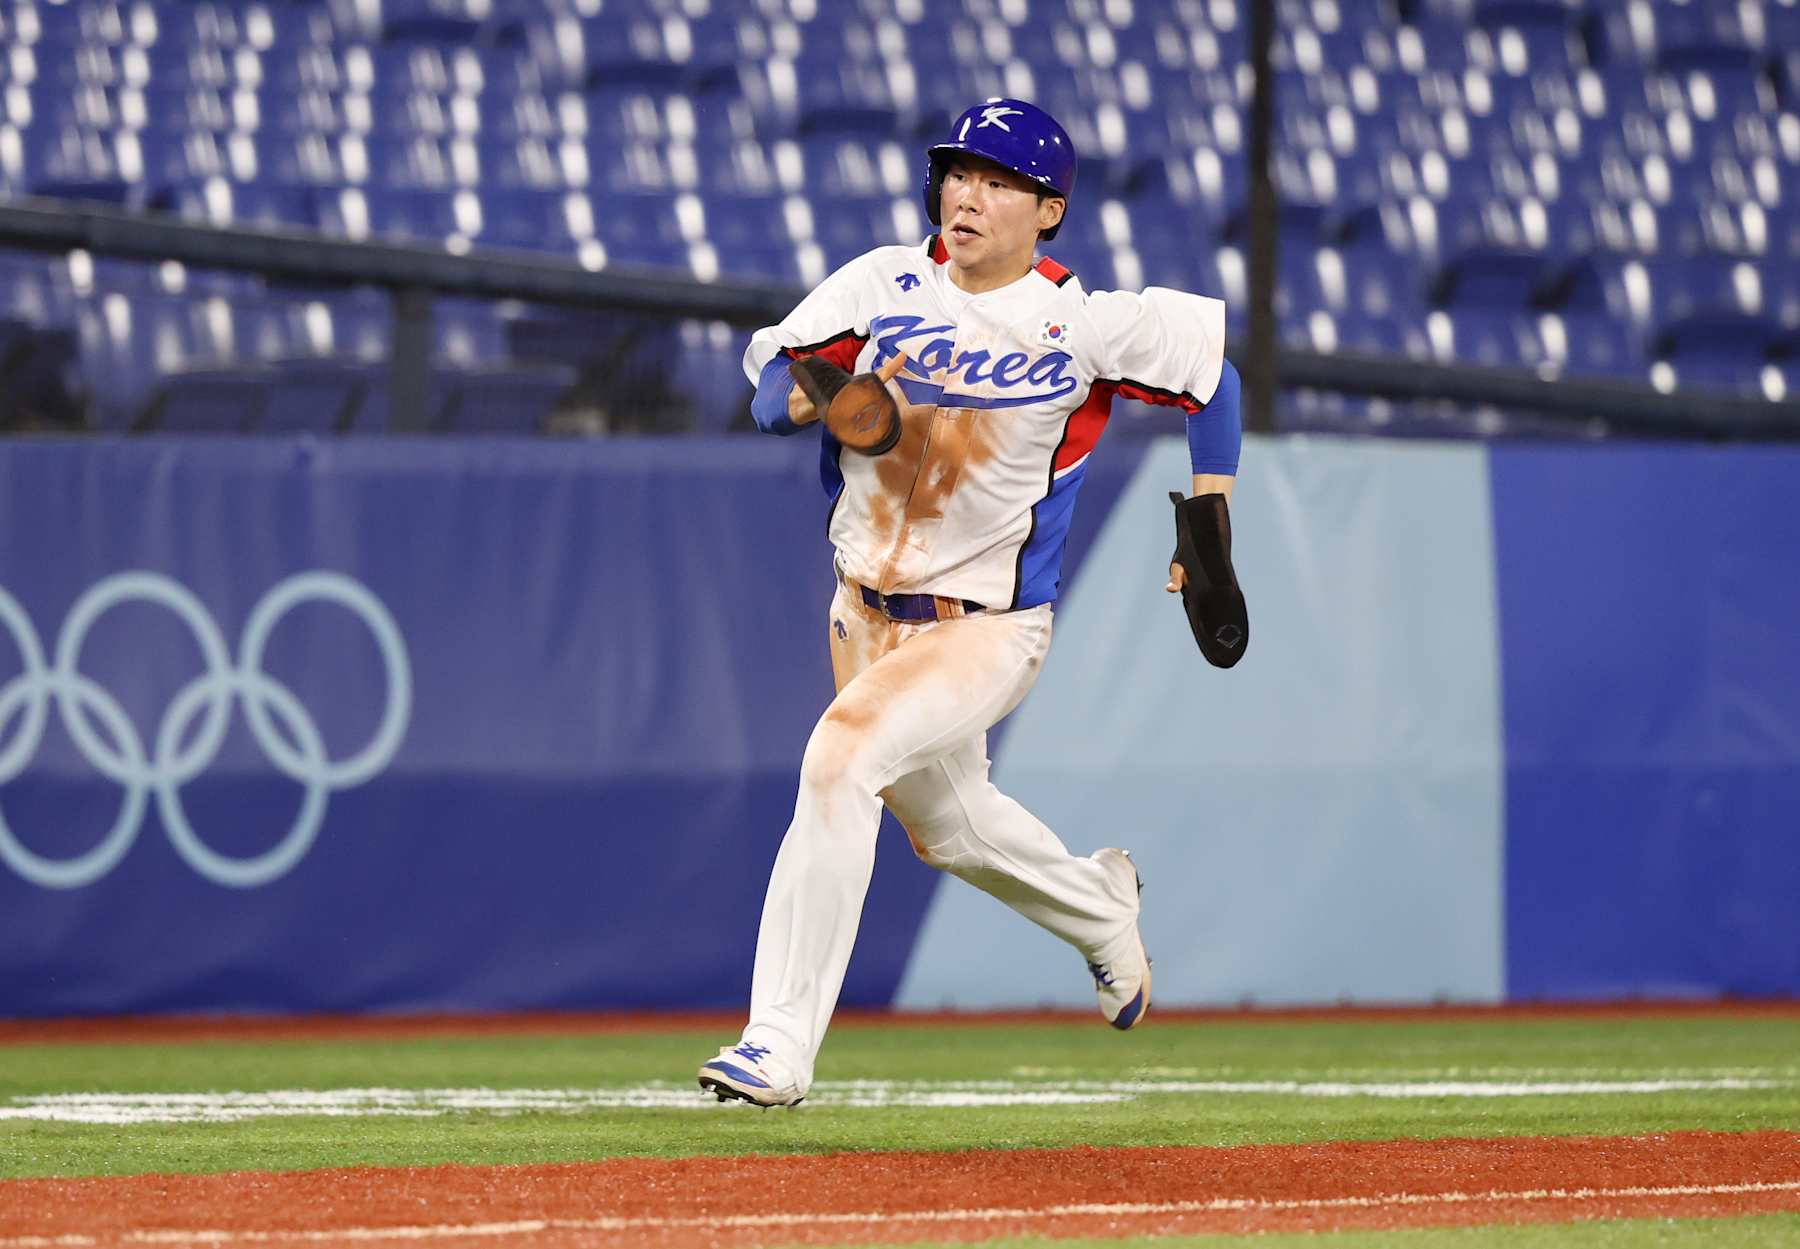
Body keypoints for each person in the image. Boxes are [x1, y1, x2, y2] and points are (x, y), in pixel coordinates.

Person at [699, 98, 1244, 1108]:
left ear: (1049, 210)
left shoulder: (1081, 323)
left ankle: (775, 1042)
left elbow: (1216, 381)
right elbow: (773, 390)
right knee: (950, 828)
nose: (969, 195)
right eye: (959, 172)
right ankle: (1102, 910)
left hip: (988, 628)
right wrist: (828, 394)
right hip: (861, 615)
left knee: (841, 756)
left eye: (999, 182)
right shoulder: (882, 283)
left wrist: (1210, 520)